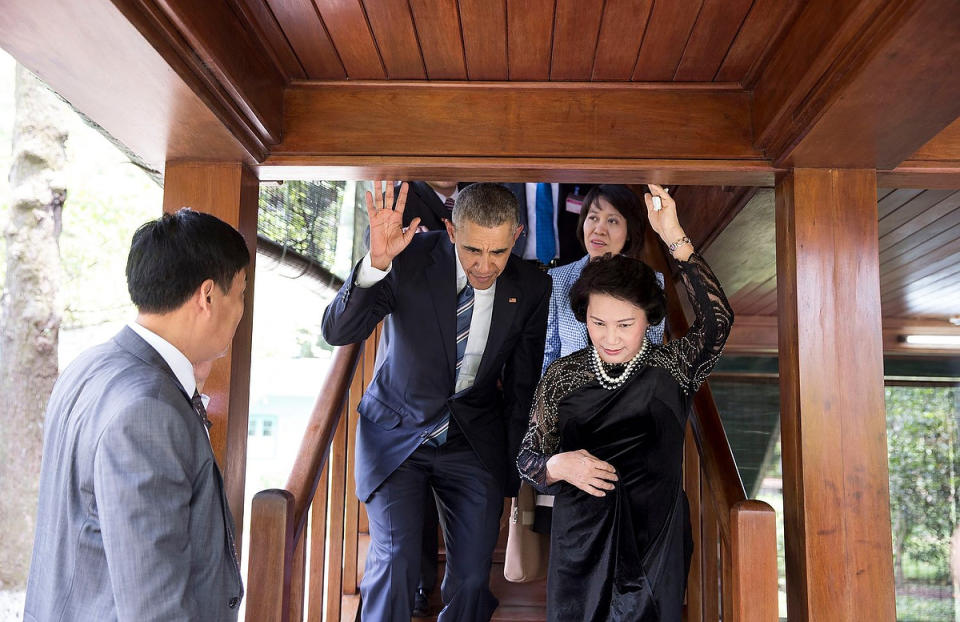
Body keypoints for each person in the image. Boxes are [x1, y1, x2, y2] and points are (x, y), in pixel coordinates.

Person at [322, 181, 550, 621]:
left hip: (471, 441)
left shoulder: (532, 287)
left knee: (469, 580)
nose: (485, 266)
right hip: (396, 435)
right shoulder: (407, 256)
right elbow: (338, 332)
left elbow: (522, 389)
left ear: (517, 235)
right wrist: (376, 263)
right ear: (449, 229)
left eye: (498, 252)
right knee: (397, 560)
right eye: (472, 250)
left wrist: (512, 470)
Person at [517, 184, 733, 621]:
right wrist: (558, 466)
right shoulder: (563, 377)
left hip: (656, 542)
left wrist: (673, 235)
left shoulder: (675, 367)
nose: (610, 338)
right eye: (597, 322)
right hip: (579, 544)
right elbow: (528, 457)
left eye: (624, 324)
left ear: (649, 319)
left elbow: (718, 320)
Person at [23, 208, 249, 622]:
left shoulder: (89, 365)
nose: (240, 312)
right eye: (240, 295)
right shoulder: (149, 409)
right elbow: (153, 604)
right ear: (208, 296)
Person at [542, 184, 666, 376]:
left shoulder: (651, 281)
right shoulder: (556, 279)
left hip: (626, 394)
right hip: (569, 396)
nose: (599, 229)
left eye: (613, 221)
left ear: (629, 231)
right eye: (593, 218)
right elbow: (548, 353)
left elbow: (652, 350)